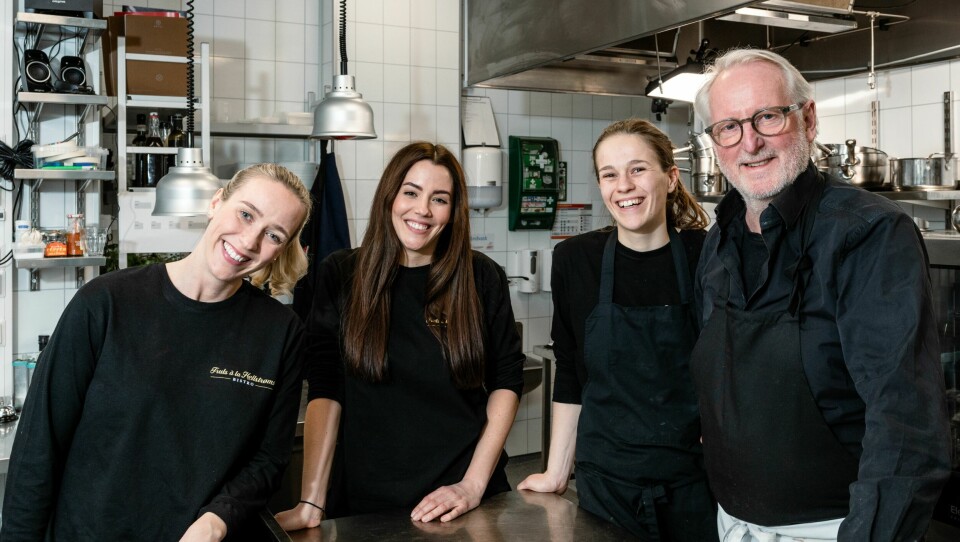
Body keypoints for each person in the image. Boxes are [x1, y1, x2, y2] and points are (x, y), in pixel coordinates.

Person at [690, 48, 951, 540]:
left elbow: (905, 423)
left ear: (808, 119)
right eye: (729, 127)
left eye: (767, 117)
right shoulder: (719, 238)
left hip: (834, 528)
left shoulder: (868, 234)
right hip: (734, 525)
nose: (750, 143)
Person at [1, 163, 313, 541]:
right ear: (217, 202)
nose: (249, 241)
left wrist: (218, 519)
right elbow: (39, 445)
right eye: (245, 214)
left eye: (274, 234)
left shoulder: (281, 332)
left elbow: (269, 459)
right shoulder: (105, 303)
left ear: (283, 249)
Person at [275, 142, 524, 530]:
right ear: (390, 196)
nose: (422, 210)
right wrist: (311, 500)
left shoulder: (482, 277)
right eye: (411, 192)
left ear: (453, 211)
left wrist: (473, 485)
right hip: (366, 501)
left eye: (439, 199)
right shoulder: (341, 273)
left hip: (464, 501)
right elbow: (327, 388)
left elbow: (506, 381)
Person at [519, 118, 718, 540]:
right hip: (607, 484)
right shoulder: (576, 260)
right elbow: (571, 371)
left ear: (671, 176)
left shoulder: (706, 255)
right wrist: (556, 472)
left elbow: (728, 364)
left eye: (638, 169)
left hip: (696, 484)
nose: (623, 185)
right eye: (609, 174)